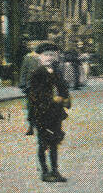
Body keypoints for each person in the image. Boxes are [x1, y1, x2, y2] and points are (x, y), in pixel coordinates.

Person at [28, 43, 71, 182]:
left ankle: (55, 170)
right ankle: (45, 172)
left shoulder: (57, 72)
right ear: (40, 57)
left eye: (51, 55)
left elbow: (64, 88)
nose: (49, 58)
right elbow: (34, 94)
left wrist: (64, 97)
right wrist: (52, 99)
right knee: (42, 143)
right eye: (46, 55)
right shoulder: (36, 73)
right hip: (40, 112)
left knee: (54, 142)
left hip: (55, 113)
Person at [17, 41, 41, 134]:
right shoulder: (27, 58)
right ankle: (31, 127)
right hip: (30, 85)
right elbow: (23, 71)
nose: (33, 48)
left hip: (41, 85)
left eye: (34, 46)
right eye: (31, 46)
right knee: (31, 106)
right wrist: (22, 84)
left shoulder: (42, 57)